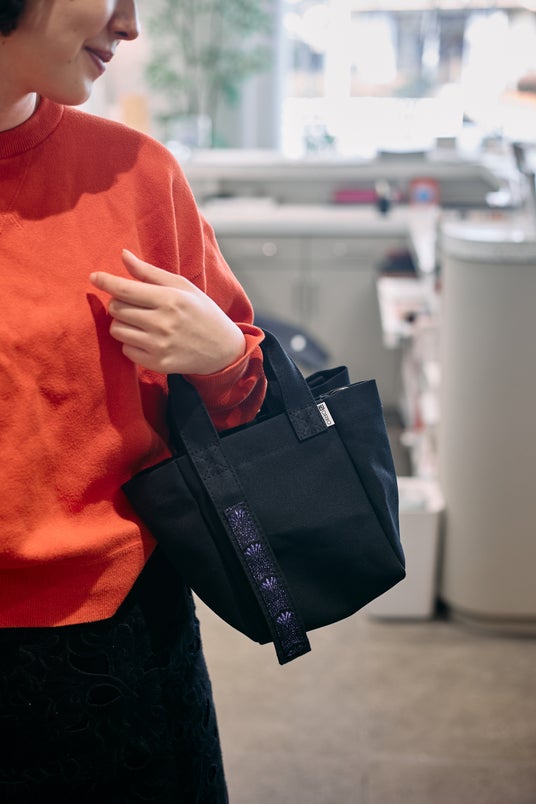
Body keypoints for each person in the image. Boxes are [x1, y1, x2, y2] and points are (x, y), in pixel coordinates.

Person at [0, 1, 266, 801]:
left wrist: (223, 357)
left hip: (114, 646)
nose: (130, 24)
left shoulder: (135, 176)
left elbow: (250, 409)